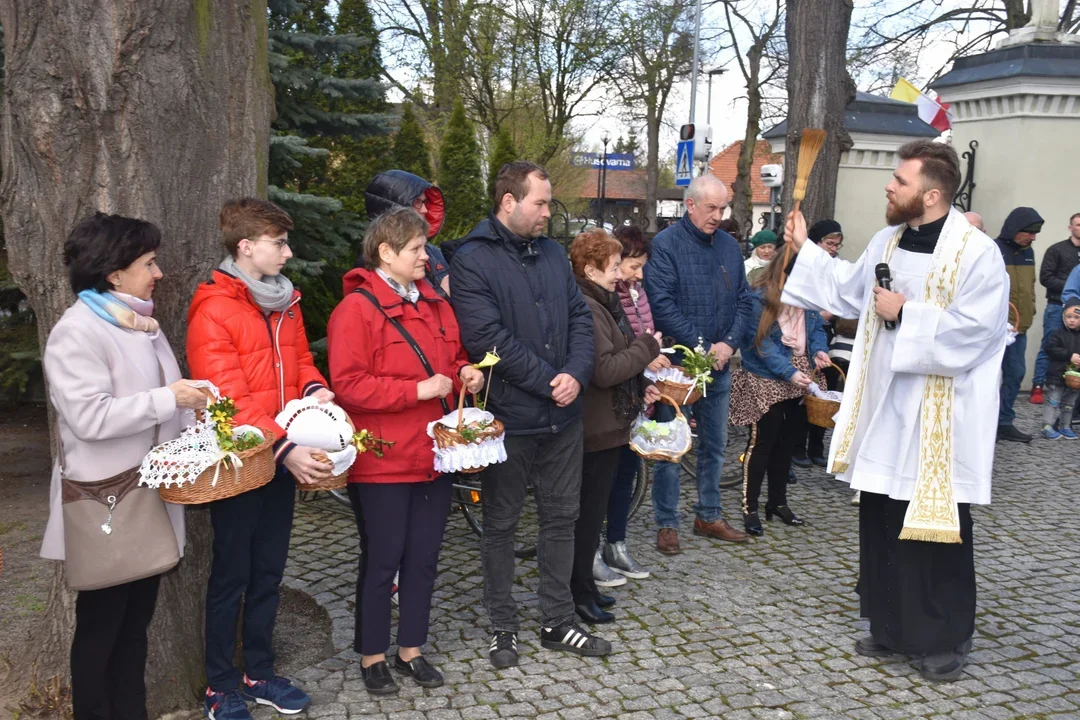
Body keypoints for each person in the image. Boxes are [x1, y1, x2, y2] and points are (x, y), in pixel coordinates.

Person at [783, 139, 1009, 681]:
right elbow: (845, 291)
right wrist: (804, 249)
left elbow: (981, 331)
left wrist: (909, 312)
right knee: (883, 518)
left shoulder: (977, 252)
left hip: (940, 416)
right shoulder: (887, 240)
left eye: (899, 180)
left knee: (934, 530)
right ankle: (889, 626)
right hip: (886, 406)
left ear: (931, 194)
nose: (889, 185)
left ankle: (943, 637)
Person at [41, 213, 205, 720]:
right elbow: (89, 417)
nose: (157, 273)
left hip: (147, 492)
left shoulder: (140, 323)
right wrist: (167, 398)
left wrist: (194, 415)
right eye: (149, 263)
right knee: (101, 631)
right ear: (114, 273)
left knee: (136, 629)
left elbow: (159, 405)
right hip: (107, 500)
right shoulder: (77, 332)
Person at [450, 161, 609, 667]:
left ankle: (557, 620)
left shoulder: (553, 253)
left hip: (563, 418)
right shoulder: (472, 259)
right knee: (501, 524)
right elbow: (486, 338)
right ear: (508, 202)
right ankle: (502, 625)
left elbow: (581, 318)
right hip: (510, 419)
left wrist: (576, 374)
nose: (548, 211)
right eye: (540, 202)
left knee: (562, 520)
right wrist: (548, 381)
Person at [327, 207, 485, 694]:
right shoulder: (355, 310)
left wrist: (466, 373)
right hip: (383, 458)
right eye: (416, 249)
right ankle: (372, 655)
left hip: (436, 454)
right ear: (386, 253)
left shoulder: (436, 304)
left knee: (423, 558)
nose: (426, 257)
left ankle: (411, 649)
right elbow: (349, 385)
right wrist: (415, 391)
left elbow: (453, 357)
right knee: (383, 560)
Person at [188, 198, 333, 720]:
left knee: (269, 572)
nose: (289, 253)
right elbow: (228, 395)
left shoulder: (286, 301)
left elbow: (300, 361)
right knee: (232, 575)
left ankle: (260, 672)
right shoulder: (213, 308)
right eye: (279, 244)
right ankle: (221, 685)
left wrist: (316, 390)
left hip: (279, 458)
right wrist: (285, 447)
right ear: (246, 247)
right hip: (241, 461)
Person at [643, 174, 752, 554]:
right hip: (677, 366)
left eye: (722, 209)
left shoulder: (728, 246)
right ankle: (666, 522)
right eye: (711, 208)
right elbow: (662, 304)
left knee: (715, 444)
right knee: (670, 447)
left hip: (719, 363)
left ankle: (709, 514)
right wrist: (702, 345)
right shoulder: (665, 245)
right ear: (690, 206)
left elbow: (744, 300)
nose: (718, 217)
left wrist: (728, 345)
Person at [567, 229, 662, 625]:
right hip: (595, 427)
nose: (619, 274)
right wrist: (647, 348)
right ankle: (577, 592)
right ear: (590, 269)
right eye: (612, 266)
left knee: (592, 515)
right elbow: (605, 370)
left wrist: (643, 384)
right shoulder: (589, 307)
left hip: (608, 423)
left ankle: (585, 589)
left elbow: (620, 356)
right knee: (587, 516)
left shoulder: (603, 302)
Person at [730, 251, 829, 535]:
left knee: (788, 442)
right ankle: (750, 508)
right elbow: (760, 344)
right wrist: (788, 372)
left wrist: (819, 349)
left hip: (802, 376)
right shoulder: (759, 297)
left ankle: (777, 503)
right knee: (762, 444)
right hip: (768, 376)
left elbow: (817, 328)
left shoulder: (807, 296)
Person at [596, 226, 668, 587]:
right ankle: (594, 549)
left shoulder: (636, 292)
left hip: (635, 396)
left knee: (626, 473)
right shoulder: (608, 298)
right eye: (634, 266)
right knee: (599, 481)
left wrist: (647, 381)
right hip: (611, 401)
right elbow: (622, 351)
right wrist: (644, 359)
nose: (639, 274)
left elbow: (646, 340)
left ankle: (616, 543)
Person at [791, 219, 848, 468]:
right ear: (816, 243)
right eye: (829, 243)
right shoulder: (803, 265)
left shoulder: (837, 269)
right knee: (802, 395)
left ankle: (817, 444)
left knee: (823, 394)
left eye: (837, 244)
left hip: (823, 334)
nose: (833, 248)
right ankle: (796, 447)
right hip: (799, 333)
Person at [995, 207, 1044, 443]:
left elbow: (1030, 286)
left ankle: (1004, 422)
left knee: (1016, 374)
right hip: (994, 329)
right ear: (1015, 230)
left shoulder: (1028, 253)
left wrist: (1030, 310)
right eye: (1030, 232)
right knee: (991, 377)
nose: (1033, 237)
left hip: (1018, 328)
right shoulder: (993, 250)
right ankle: (986, 423)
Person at [365, 170, 451, 298]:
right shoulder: (374, 260)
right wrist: (443, 294)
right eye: (418, 203)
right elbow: (393, 308)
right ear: (395, 209)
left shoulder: (433, 252)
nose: (425, 209)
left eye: (425, 202)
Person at [1031, 213, 1080, 404]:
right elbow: (1046, 278)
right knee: (1049, 345)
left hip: (1078, 310)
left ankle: (1070, 389)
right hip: (1057, 305)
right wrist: (1072, 291)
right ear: (1070, 228)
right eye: (1078, 224)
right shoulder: (1057, 250)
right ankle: (1038, 386)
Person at [1039, 298, 1080, 439]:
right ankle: (1047, 425)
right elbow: (1050, 348)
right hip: (1057, 374)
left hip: (1075, 377)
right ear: (1063, 317)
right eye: (1069, 317)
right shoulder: (1057, 333)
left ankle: (1065, 425)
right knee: (1053, 400)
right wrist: (1069, 355)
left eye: (1076, 317)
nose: (1072, 320)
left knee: (1070, 403)